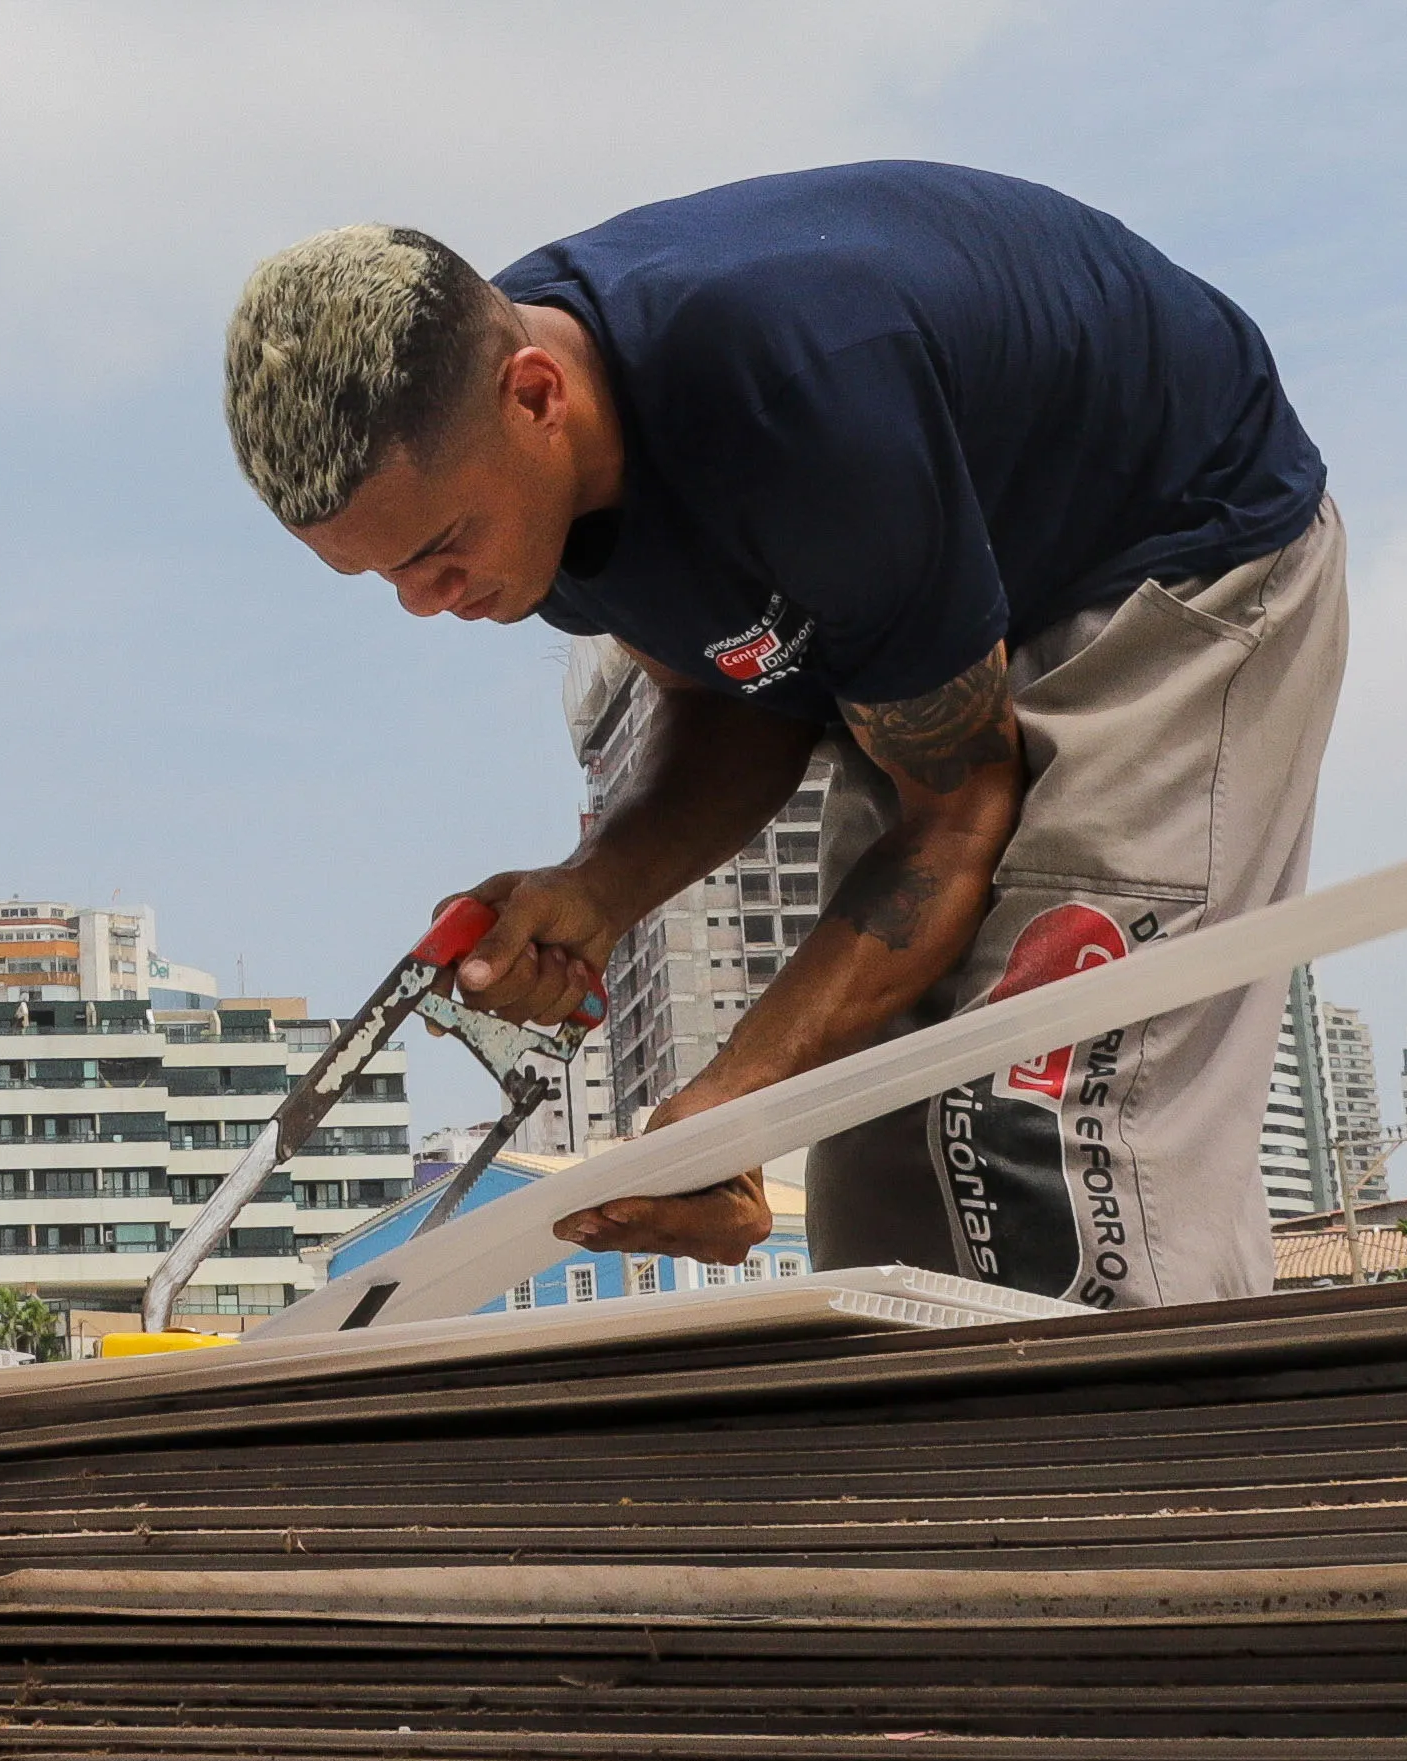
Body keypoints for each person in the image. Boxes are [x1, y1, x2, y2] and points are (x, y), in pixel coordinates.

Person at [222, 166, 1343, 1313]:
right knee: (870, 1146)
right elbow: (734, 694)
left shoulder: (795, 399)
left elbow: (952, 826)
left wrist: (730, 1102)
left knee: (1044, 1117)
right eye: (381, 572)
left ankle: (1165, 1480)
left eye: (440, 546)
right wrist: (599, 891)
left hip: (1171, 553)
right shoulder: (523, 494)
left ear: (537, 394)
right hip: (929, 595)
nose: (425, 598)